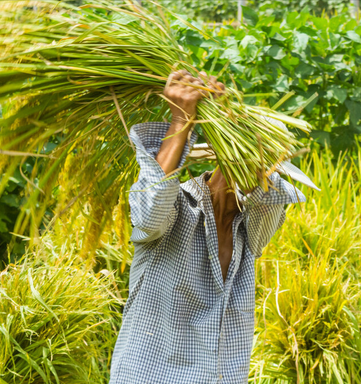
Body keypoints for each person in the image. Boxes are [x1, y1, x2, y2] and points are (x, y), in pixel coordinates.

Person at [108, 69, 305, 384]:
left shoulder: (250, 231)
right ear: (228, 153)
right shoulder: (177, 209)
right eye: (256, 155)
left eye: (267, 165)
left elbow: (272, 201)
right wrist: (181, 121)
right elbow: (148, 210)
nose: (261, 170)